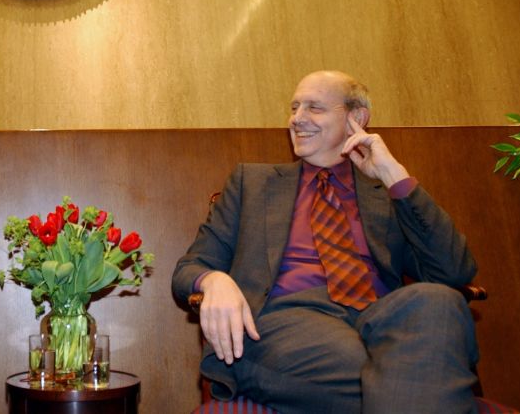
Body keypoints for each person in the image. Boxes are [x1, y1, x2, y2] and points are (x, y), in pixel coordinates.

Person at [172, 70, 479, 414]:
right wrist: (214, 280)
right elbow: (189, 268)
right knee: (413, 378)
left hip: (378, 322)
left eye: (314, 108)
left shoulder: (386, 194)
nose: (297, 119)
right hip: (284, 323)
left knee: (437, 301)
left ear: (356, 119)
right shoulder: (252, 183)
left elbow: (453, 271)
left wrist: (394, 176)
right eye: (294, 108)